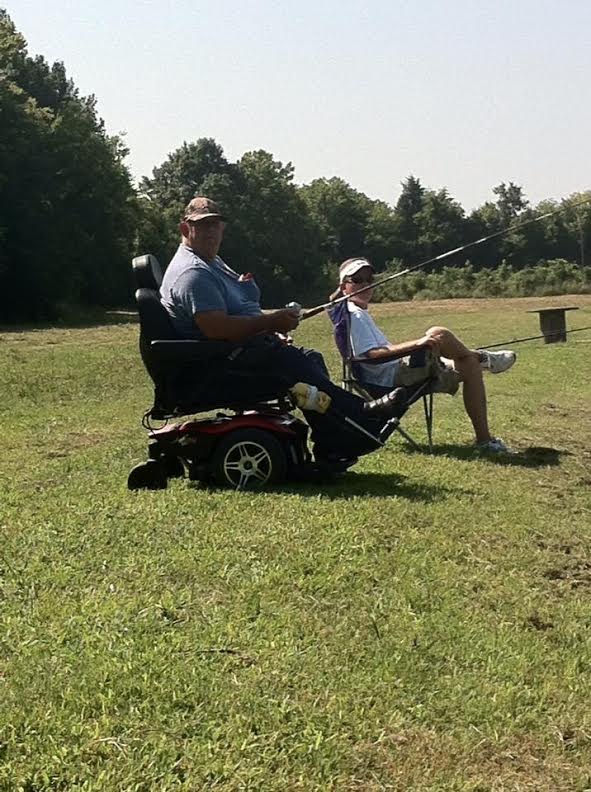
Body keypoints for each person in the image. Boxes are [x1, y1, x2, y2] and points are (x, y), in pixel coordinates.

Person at [159, 197, 408, 463]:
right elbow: (215, 328)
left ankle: (331, 442)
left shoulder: (211, 261)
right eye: (202, 225)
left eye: (215, 224)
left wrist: (270, 330)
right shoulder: (193, 273)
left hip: (239, 352)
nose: (211, 231)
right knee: (292, 362)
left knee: (310, 358)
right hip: (218, 367)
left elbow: (234, 313)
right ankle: (361, 412)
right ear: (185, 228)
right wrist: (270, 323)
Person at [334, 257, 517, 453]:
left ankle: (479, 362)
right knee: (439, 334)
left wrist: (417, 346)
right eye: (357, 280)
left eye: (369, 280)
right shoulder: (355, 314)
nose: (365, 285)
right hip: (390, 379)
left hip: (393, 371)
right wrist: (418, 344)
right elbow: (371, 355)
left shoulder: (352, 311)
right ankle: (483, 360)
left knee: (468, 362)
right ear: (344, 287)